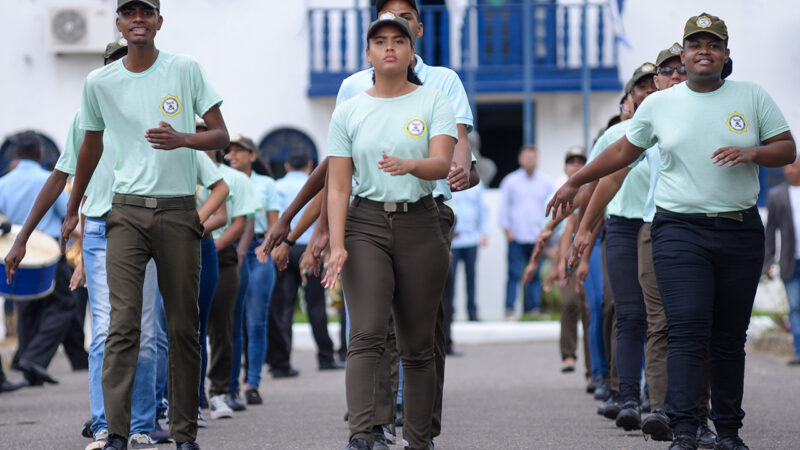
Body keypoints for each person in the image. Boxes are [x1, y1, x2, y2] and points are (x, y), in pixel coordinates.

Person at [548, 13, 795, 450]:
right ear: (684, 54)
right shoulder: (660, 104)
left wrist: (753, 153)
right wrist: (576, 181)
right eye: (696, 45)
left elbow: (786, 148)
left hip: (739, 229)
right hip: (680, 231)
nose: (704, 51)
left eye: (713, 45)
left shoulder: (751, 96)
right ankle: (683, 428)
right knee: (686, 330)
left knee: (728, 338)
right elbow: (622, 153)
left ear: (726, 54)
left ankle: (728, 431)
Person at [61, 1, 231, 448]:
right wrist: (74, 207)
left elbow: (221, 135)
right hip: (125, 213)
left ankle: (184, 433)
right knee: (123, 326)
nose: (139, 18)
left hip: (178, 210)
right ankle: (118, 432)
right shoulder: (99, 82)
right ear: (118, 22)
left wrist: (182, 139)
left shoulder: (185, 69)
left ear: (159, 21)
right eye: (129, 12)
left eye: (147, 12)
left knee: (182, 326)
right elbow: (90, 147)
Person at [323, 12, 457, 450]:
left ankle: (419, 439)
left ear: (412, 50)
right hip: (365, 224)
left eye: (398, 40)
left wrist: (410, 165)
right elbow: (338, 185)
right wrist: (337, 245)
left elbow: (442, 163)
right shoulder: (349, 110)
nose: (389, 48)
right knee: (366, 334)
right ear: (368, 53)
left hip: (421, 222)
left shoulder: (434, 101)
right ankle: (361, 434)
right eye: (380, 41)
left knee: (418, 344)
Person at [0, 131, 86, 387]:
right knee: (65, 304)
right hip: (47, 253)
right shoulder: (48, 180)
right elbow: (67, 215)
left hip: (16, 252)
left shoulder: (3, 183)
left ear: (17, 154)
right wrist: (85, 236)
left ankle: (28, 366)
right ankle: (34, 358)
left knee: (28, 308)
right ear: (39, 153)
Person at [200, 138, 261, 421]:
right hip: (182, 253)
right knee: (188, 330)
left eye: (204, 134)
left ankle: (221, 390)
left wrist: (213, 248)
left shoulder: (235, 179)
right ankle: (192, 395)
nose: (199, 139)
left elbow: (240, 222)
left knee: (223, 328)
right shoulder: (181, 173)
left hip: (220, 255)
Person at [268, 148, 342, 377]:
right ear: (310, 165)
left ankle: (281, 362)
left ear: (287, 166)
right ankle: (325, 357)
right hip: (310, 248)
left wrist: (277, 246)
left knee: (284, 306)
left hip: (286, 246)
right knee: (315, 304)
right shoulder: (318, 185)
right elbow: (322, 213)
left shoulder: (278, 186)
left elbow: (276, 218)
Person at [225, 135, 281, 406]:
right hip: (230, 249)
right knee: (232, 321)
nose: (233, 154)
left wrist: (266, 248)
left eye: (240, 150)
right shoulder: (222, 179)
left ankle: (253, 383)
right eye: (230, 150)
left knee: (256, 320)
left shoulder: (266, 184)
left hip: (259, 251)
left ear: (253, 156)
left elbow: (274, 222)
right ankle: (229, 385)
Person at [498, 144, 553, 319]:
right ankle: (509, 309)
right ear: (520, 159)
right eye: (527, 157)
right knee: (514, 274)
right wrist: (507, 230)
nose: (530, 161)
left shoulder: (546, 182)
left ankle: (533, 309)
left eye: (533, 157)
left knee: (535, 275)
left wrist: (547, 232)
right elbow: (504, 207)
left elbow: (551, 208)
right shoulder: (510, 181)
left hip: (537, 237)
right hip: (516, 236)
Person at [764, 157, 800, 366]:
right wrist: (768, 261)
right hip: (790, 261)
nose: (788, 170)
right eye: (786, 166)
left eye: (792, 165)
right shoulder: (776, 195)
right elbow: (770, 231)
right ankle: (799, 351)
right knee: (794, 307)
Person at [447, 180, 489, 323]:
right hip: (453, 241)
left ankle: (472, 312)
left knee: (471, 277)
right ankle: (450, 312)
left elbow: (482, 208)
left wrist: (484, 232)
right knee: (450, 278)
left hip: (471, 239)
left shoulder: (477, 184)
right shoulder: (449, 180)